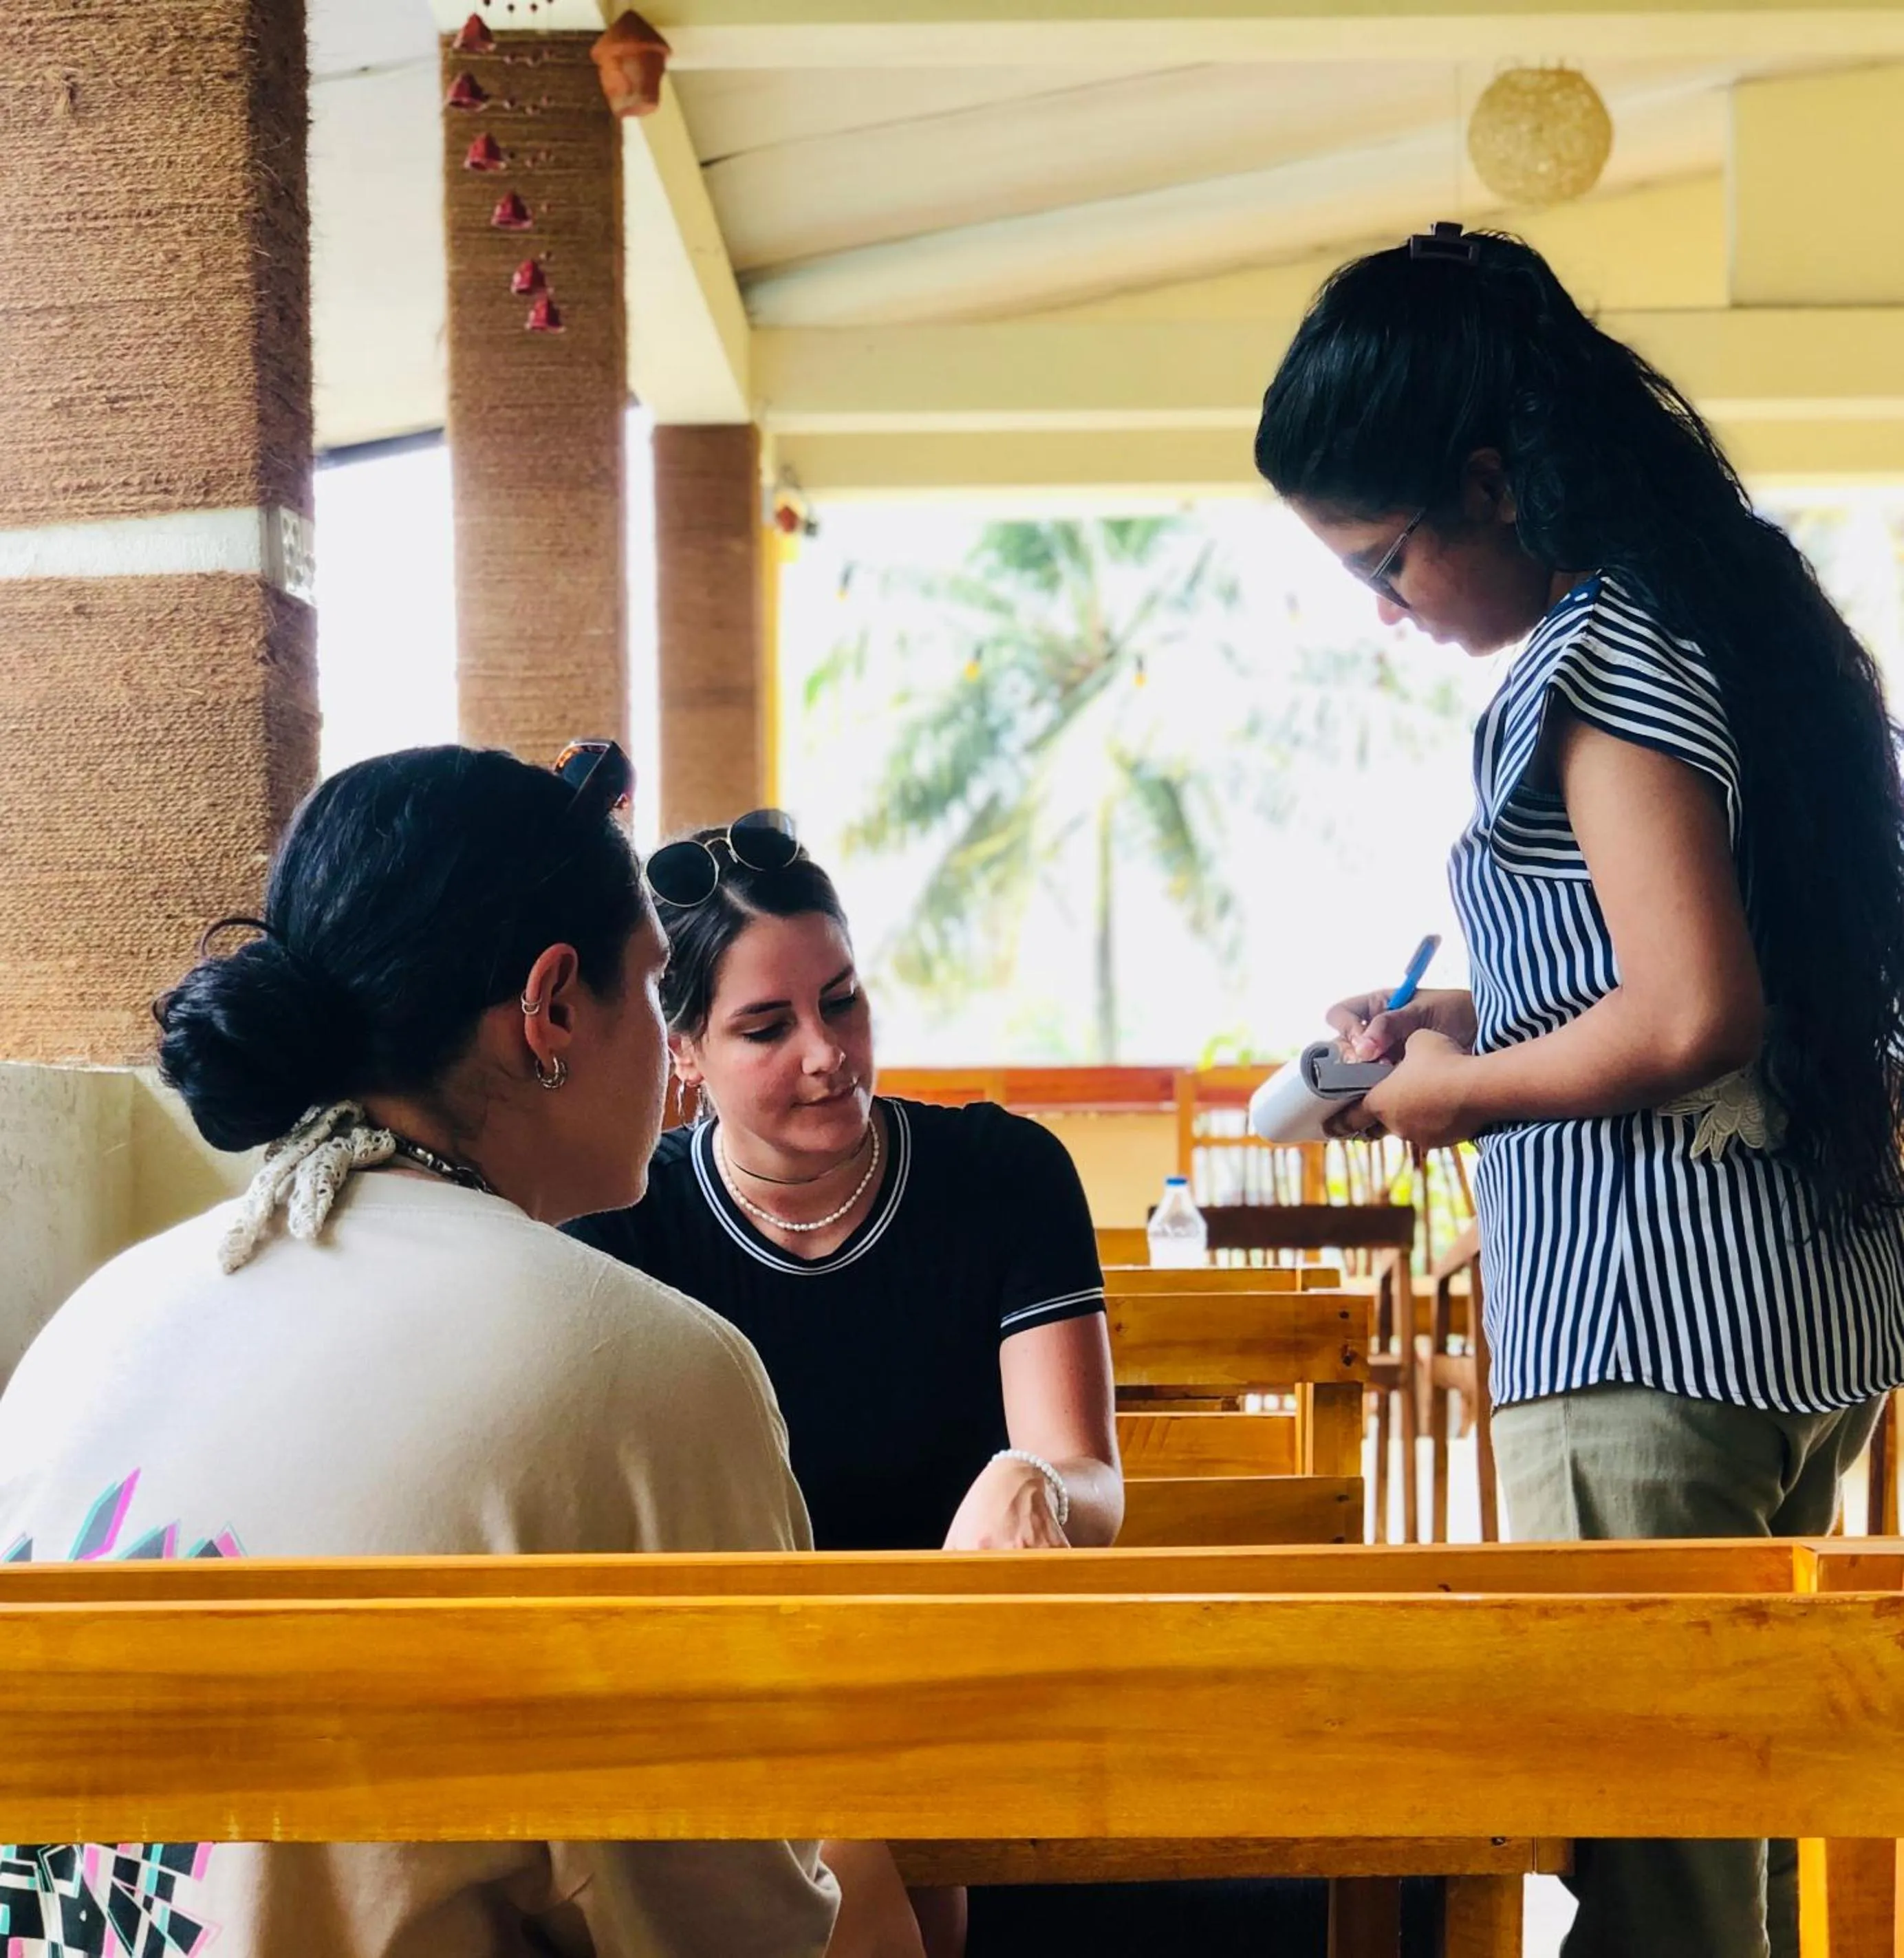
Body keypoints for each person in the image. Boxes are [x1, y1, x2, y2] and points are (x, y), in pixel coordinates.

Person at [1255, 221, 1904, 1958]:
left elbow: (1694, 1006)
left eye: (1385, 561)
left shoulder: (1588, 657)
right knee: (1728, 1842)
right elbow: (1696, 948)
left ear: (1492, 482)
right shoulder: (1714, 610)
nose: (1389, 612)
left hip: (1641, 1336)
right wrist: (1471, 1008)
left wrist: (1455, 1097)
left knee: (1653, 1886)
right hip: (1792, 1318)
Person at [0, 743, 921, 1958]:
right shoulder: (642, 1370)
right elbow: (749, 1936)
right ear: (550, 1009)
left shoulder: (100, 1318)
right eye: (651, 986)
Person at [569, 817, 1134, 1958]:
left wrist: (1039, 1483)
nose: (827, 1053)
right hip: (745, 1697)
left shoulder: (1000, 1177)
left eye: (845, 1001)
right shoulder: (626, 1220)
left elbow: (1087, 1479)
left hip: (974, 1678)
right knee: (842, 1836)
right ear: (683, 1052)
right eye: (767, 1026)